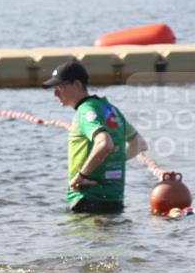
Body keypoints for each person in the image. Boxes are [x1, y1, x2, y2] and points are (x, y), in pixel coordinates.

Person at [43, 61, 147, 213]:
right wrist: (109, 162)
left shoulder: (86, 111)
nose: (55, 93)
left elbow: (104, 143)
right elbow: (139, 144)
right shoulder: (110, 109)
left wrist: (81, 175)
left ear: (77, 84)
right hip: (114, 200)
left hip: (87, 200)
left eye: (60, 86)